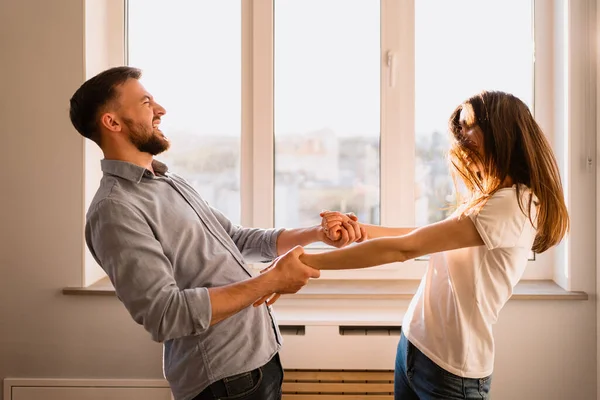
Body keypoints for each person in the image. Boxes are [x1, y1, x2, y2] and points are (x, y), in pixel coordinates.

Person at [68, 66, 364, 400]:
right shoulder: (115, 209)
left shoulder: (169, 181)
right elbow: (165, 314)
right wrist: (271, 281)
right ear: (113, 122)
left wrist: (316, 234)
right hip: (224, 383)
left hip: (259, 361)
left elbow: (235, 240)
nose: (160, 111)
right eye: (147, 102)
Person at [257, 91, 569, 399]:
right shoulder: (491, 198)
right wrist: (361, 230)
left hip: (452, 373)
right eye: (459, 128)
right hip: (416, 347)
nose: (462, 136)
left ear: (500, 130)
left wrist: (303, 262)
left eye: (469, 126)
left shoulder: (511, 204)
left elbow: (406, 248)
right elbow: (426, 235)